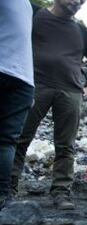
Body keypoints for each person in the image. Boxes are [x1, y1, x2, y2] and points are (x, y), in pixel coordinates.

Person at [11, 0, 87, 209]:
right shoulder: (34, 15)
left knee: (65, 145)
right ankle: (8, 188)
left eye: (82, 0)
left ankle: (61, 193)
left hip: (70, 91)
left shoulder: (82, 31)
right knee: (20, 138)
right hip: (36, 85)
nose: (78, 2)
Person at [0, 0, 35, 209]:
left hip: (9, 71)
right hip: (23, 78)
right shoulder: (26, 5)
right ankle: (3, 197)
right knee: (6, 142)